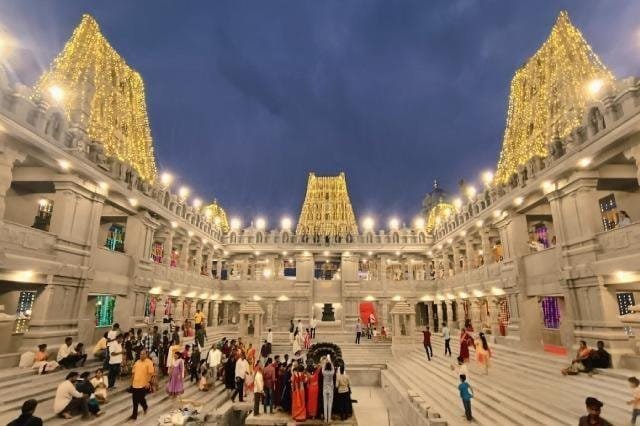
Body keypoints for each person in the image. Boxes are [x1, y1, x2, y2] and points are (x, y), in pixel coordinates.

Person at [129, 349, 155, 421]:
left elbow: (151, 374)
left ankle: (145, 406)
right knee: (134, 400)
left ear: (146, 355)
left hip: (143, 384)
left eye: (143, 354)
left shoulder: (149, 362)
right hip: (135, 384)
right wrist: (131, 383)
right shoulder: (137, 362)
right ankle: (134, 415)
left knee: (141, 399)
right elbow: (133, 373)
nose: (141, 355)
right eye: (140, 354)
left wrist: (148, 382)